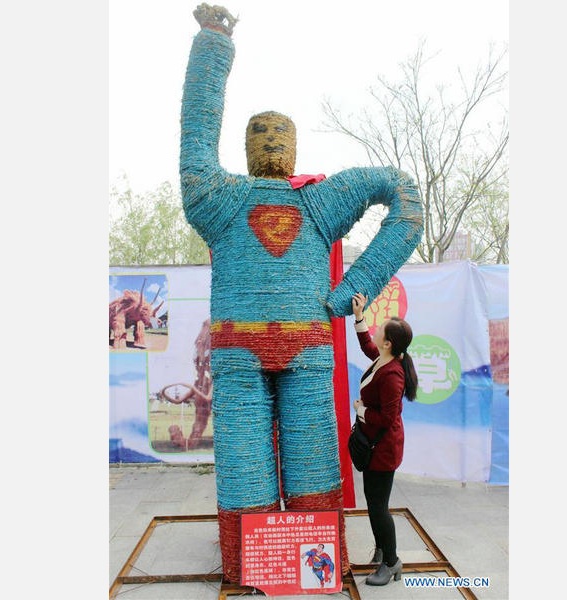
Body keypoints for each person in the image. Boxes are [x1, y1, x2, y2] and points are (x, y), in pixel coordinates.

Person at [179, 3, 424, 584]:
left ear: (294, 144)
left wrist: (351, 292)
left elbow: (404, 196)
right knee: (244, 464)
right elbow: (195, 146)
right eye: (259, 131)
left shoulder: (317, 201)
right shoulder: (223, 199)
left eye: (278, 131)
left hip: (306, 348)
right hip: (243, 352)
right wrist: (213, 41)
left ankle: (309, 563)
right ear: (246, 147)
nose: (269, 139)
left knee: (310, 458)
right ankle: (254, 565)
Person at [350, 292, 418, 586]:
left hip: (383, 449)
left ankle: (391, 563)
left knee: (379, 506)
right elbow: (368, 346)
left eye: (381, 328)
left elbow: (388, 418)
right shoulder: (383, 358)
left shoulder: (392, 375)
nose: (376, 330)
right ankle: (381, 549)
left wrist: (361, 410)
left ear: (388, 343)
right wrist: (359, 317)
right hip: (375, 445)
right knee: (374, 502)